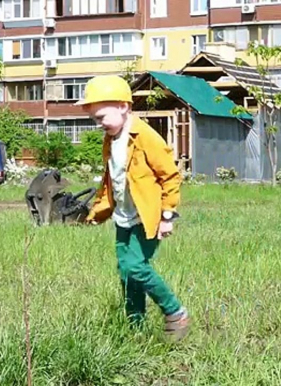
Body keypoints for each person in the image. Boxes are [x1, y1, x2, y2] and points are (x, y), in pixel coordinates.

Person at [79, 74, 190, 341]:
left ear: (123, 107)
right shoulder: (112, 139)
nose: (99, 124)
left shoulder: (145, 136)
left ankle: (175, 311)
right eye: (95, 119)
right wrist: (97, 212)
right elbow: (112, 180)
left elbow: (170, 176)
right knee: (125, 272)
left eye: (102, 117)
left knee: (136, 267)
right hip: (123, 217)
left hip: (146, 217)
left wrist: (167, 215)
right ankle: (135, 328)